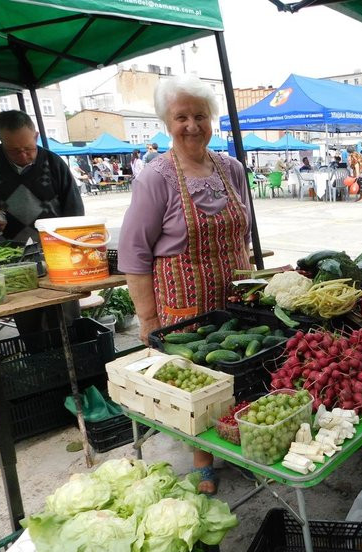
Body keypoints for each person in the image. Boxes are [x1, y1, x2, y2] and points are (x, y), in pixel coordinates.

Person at [118, 74, 253, 496]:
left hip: (236, 293)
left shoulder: (231, 168)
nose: (192, 125)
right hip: (184, 298)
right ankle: (202, 462)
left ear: (211, 119)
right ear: (166, 122)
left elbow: (244, 231)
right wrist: (147, 319)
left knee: (242, 371)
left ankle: (239, 442)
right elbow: (134, 253)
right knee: (196, 383)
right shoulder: (155, 177)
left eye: (200, 115)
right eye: (181, 117)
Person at [0, 109, 84, 334]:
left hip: (55, 255)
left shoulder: (53, 162)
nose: (23, 156)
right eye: (14, 151)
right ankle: (37, 361)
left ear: (36, 135)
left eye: (28, 149)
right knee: (28, 318)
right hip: (11, 259)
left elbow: (75, 209)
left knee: (66, 319)